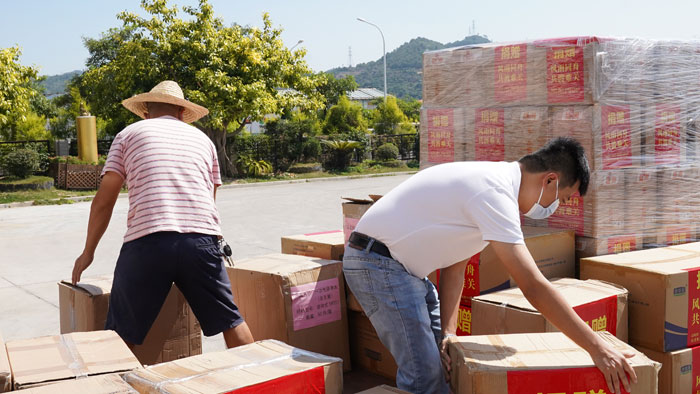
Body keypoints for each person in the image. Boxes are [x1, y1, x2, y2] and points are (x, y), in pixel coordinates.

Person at [343, 137, 637, 394]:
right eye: (560, 198)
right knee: (425, 375)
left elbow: (455, 267)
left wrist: (448, 334)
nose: (554, 206)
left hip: (401, 269)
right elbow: (533, 286)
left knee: (445, 363)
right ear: (549, 179)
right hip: (377, 263)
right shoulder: (494, 193)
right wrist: (597, 349)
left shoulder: (496, 187)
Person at [71, 80, 254, 349]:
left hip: (148, 241)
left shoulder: (128, 135)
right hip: (202, 242)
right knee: (231, 321)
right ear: (182, 113)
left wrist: (88, 253)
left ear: (146, 112)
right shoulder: (204, 141)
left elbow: (103, 202)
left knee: (120, 337)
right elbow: (209, 201)